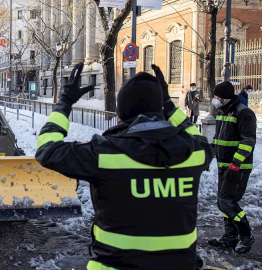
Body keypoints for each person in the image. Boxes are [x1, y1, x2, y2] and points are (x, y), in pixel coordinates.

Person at [35, 63, 213, 270]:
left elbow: (47, 149)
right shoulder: (194, 153)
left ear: (120, 117)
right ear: (161, 111)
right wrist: (169, 105)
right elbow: (196, 136)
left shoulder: (104, 153)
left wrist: (65, 102)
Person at [208, 81, 256, 254]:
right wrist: (208, 156)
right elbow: (218, 139)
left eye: (217, 97)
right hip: (224, 166)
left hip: (238, 167)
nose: (215, 99)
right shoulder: (223, 112)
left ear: (225, 97)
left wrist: (236, 163)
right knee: (222, 203)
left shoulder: (244, 113)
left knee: (227, 202)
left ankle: (245, 235)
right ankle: (230, 235)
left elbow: (248, 141)